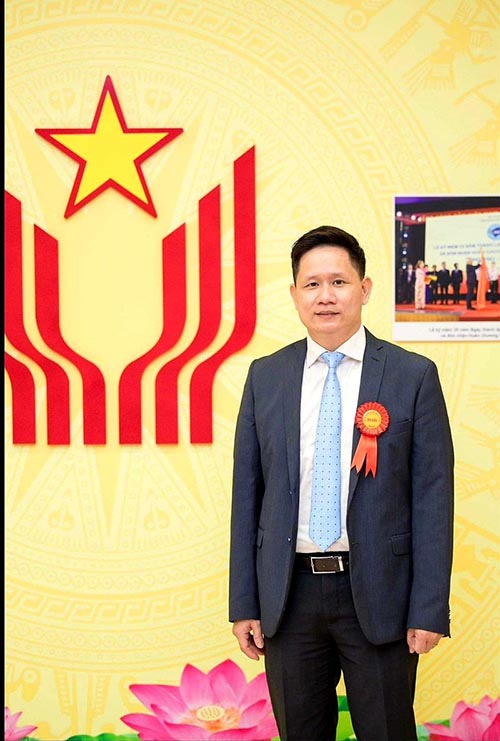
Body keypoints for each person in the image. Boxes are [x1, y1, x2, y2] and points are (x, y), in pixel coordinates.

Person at [229, 226, 454, 741]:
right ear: (294, 295)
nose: (325, 296)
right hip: (289, 596)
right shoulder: (266, 377)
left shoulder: (412, 375)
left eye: (339, 282)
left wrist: (427, 607)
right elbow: (248, 495)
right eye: (312, 284)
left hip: (380, 593)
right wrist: (244, 603)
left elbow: (433, 499)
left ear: (365, 289)